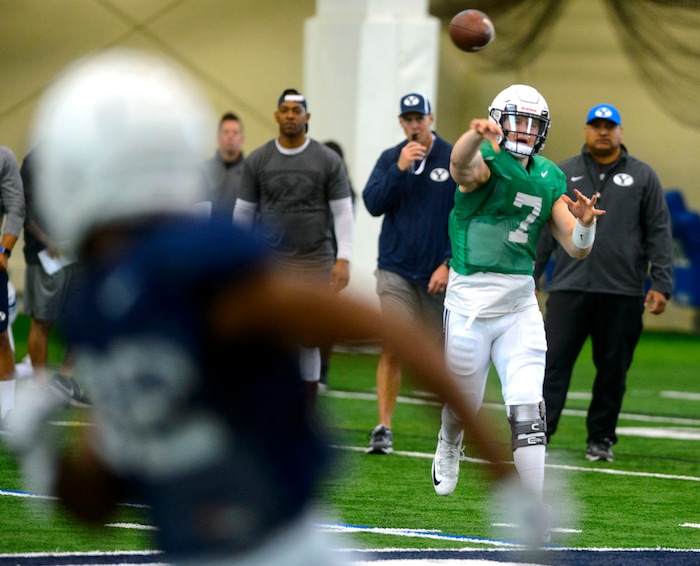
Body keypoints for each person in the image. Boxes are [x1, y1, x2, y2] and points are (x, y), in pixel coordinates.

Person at [7, 48, 516, 565]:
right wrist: (44, 460)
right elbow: (99, 497)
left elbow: (390, 331)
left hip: (284, 550)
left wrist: (501, 472)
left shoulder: (201, 271)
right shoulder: (101, 305)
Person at [432, 84, 604, 543]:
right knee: (461, 405)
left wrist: (585, 225)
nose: (525, 130)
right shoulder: (485, 161)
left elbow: (575, 247)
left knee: (529, 406)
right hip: (469, 303)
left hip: (518, 304)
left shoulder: (549, 176)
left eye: (533, 123)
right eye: (516, 120)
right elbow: (458, 167)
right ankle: (450, 443)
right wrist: (473, 135)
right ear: (498, 120)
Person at [534, 104, 673, 462]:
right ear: (585, 130)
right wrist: (531, 277)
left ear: (620, 131)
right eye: (595, 125)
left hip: (622, 292)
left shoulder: (644, 176)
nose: (602, 131)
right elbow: (546, 233)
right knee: (553, 365)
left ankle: (601, 438)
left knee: (613, 371)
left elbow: (659, 232)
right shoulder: (562, 173)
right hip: (568, 289)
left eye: (609, 125)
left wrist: (661, 282)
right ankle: (540, 434)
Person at [233, 89, 354, 408]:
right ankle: (263, 406)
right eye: (284, 110)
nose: (290, 115)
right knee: (267, 337)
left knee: (308, 339)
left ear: (306, 117)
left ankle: (306, 411)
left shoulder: (327, 160)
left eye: (296, 110)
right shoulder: (258, 159)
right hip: (270, 262)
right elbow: (243, 212)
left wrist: (344, 259)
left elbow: (343, 211)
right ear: (276, 116)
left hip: (316, 260)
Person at [362, 92, 455, 454]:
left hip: (436, 273)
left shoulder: (451, 157)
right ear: (401, 123)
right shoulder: (390, 158)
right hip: (395, 269)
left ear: (431, 118)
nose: (414, 125)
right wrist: (399, 169)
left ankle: (447, 429)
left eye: (420, 117)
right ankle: (383, 426)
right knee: (394, 344)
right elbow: (372, 204)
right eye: (408, 119)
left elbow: (461, 215)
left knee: (439, 353)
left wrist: (448, 262)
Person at [19, 146, 89, 406]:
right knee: (43, 320)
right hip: (44, 254)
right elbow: (23, 207)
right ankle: (39, 388)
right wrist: (46, 239)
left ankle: (65, 377)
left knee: (83, 314)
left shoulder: (77, 153)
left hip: (77, 249)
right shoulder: (34, 160)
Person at [0, 146, 25, 430]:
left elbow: (16, 206)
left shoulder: (3, 158)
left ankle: (7, 412)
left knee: (0, 338)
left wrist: (4, 251)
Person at [200, 112, 246, 219]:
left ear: (242, 139)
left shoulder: (251, 172)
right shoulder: (204, 171)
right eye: (226, 132)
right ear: (218, 137)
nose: (230, 136)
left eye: (235, 132)